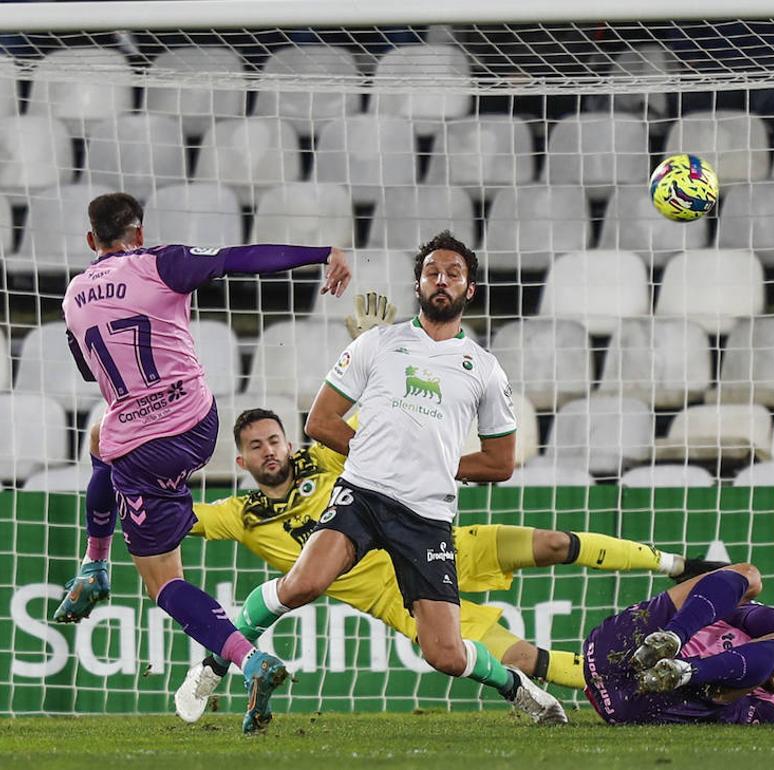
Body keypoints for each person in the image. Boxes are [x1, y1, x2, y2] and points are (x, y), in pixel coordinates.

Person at [168, 396, 722, 722]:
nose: (271, 452)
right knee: (525, 656)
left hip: (437, 542)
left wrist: (364, 345)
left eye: (276, 440)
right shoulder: (241, 515)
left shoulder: (326, 455)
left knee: (554, 543)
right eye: (258, 447)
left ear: (288, 442)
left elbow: (380, 412)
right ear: (242, 460)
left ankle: (677, 566)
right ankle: (636, 684)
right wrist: (133, 470)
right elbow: (176, 518)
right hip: (402, 598)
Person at [230, 231, 566, 725]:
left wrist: (432, 462)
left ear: (469, 289)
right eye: (433, 272)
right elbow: (319, 423)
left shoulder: (486, 370)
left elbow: (500, 462)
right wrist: (377, 453)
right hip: (362, 494)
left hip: (426, 514)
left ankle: (516, 687)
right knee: (303, 584)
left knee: (445, 655)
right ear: (418, 284)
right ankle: (217, 660)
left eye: (454, 274)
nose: (442, 280)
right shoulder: (378, 342)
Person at [58, 192, 351, 734]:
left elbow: (86, 371)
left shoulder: (74, 296)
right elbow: (239, 258)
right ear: (138, 234)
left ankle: (246, 658)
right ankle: (94, 566)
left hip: (144, 448)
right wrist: (321, 252)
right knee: (103, 437)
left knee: (163, 582)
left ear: (90, 241)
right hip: (198, 422)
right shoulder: (159, 262)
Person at [583, 563, 774, 725]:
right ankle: (673, 638)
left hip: (644, 702)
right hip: (618, 649)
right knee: (749, 576)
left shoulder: (770, 708)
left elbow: (719, 701)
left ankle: (684, 669)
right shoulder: (743, 617)